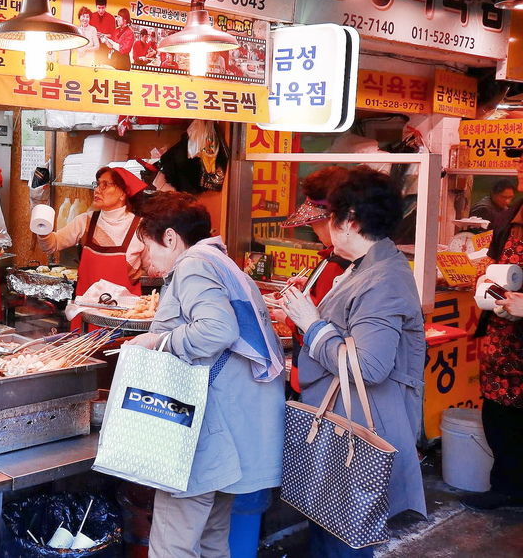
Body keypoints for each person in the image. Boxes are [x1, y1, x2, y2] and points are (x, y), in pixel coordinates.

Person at [125, 192, 285, 558]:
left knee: (172, 543)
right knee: (213, 538)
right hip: (233, 432)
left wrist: (158, 341)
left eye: (146, 247)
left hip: (206, 431)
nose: (144, 258)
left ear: (170, 238)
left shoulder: (194, 264)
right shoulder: (221, 262)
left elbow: (218, 330)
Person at [282, 167, 426, 557]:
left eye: (330, 217)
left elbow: (368, 367)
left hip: (359, 424)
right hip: (344, 417)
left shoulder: (382, 279)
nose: (325, 226)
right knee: (331, 525)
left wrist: (312, 325)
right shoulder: (365, 267)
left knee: (345, 534)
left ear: (349, 221)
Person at [461, 146, 523, 510]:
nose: (519, 166)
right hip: (504, 342)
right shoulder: (513, 212)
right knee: (500, 414)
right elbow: (498, 262)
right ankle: (508, 486)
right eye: (518, 158)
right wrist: (484, 274)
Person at [273, 166, 351, 394]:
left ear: (336, 219)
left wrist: (288, 318)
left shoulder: (341, 263)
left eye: (314, 220)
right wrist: (308, 286)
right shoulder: (332, 257)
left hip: (319, 381)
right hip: (312, 375)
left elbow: (326, 326)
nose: (309, 225)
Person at [40, 167, 148, 330]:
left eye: (106, 185)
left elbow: (153, 270)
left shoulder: (141, 228)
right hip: (86, 318)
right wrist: (42, 230)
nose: (97, 189)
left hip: (124, 320)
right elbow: (52, 245)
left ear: (123, 193)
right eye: (97, 184)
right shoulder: (85, 221)